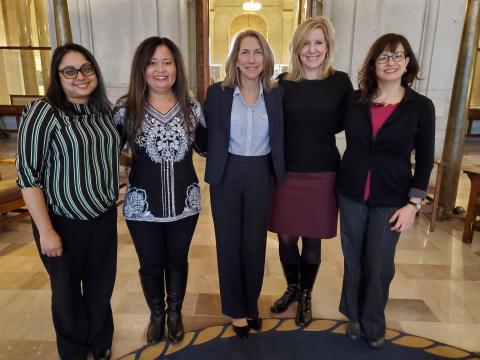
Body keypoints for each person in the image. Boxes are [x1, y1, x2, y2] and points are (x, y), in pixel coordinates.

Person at [16, 43, 119, 360]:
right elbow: (28, 176)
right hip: (62, 221)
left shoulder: (103, 110)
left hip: (102, 217)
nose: (80, 77)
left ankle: (99, 342)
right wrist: (46, 231)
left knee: (101, 287)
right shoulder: (43, 112)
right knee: (66, 294)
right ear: (57, 76)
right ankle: (74, 351)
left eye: (87, 68)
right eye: (70, 71)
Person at [337, 33, 435, 349]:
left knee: (379, 264)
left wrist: (414, 203)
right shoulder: (354, 100)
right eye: (383, 57)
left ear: (408, 62)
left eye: (397, 56)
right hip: (351, 192)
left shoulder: (420, 106)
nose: (390, 62)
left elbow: (425, 158)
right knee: (353, 259)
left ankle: (373, 321)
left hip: (392, 197)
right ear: (373, 63)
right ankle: (352, 314)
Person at [113, 36, 206, 344]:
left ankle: (175, 314)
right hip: (142, 207)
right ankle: (156, 315)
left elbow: (208, 147)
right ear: (142, 69)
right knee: (151, 263)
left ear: (177, 67)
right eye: (152, 62)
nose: (160, 69)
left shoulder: (192, 108)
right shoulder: (126, 109)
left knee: (178, 259)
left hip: (185, 203)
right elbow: (104, 148)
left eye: (167, 62)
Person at [268, 16, 353, 327]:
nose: (312, 49)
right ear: (297, 48)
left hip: (322, 172)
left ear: (328, 46)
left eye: (318, 42)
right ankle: (292, 288)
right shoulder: (282, 83)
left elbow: (350, 124)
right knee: (287, 237)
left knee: (313, 238)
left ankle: (306, 295)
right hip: (286, 172)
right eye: (306, 42)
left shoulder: (340, 82)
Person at [204, 29, 285, 339]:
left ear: (265, 58)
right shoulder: (217, 93)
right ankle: (236, 310)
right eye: (245, 52)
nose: (251, 59)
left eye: (257, 52)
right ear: (235, 59)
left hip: (260, 173)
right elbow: (204, 132)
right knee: (228, 244)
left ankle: (251, 304)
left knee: (254, 245)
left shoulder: (277, 93)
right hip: (227, 174)